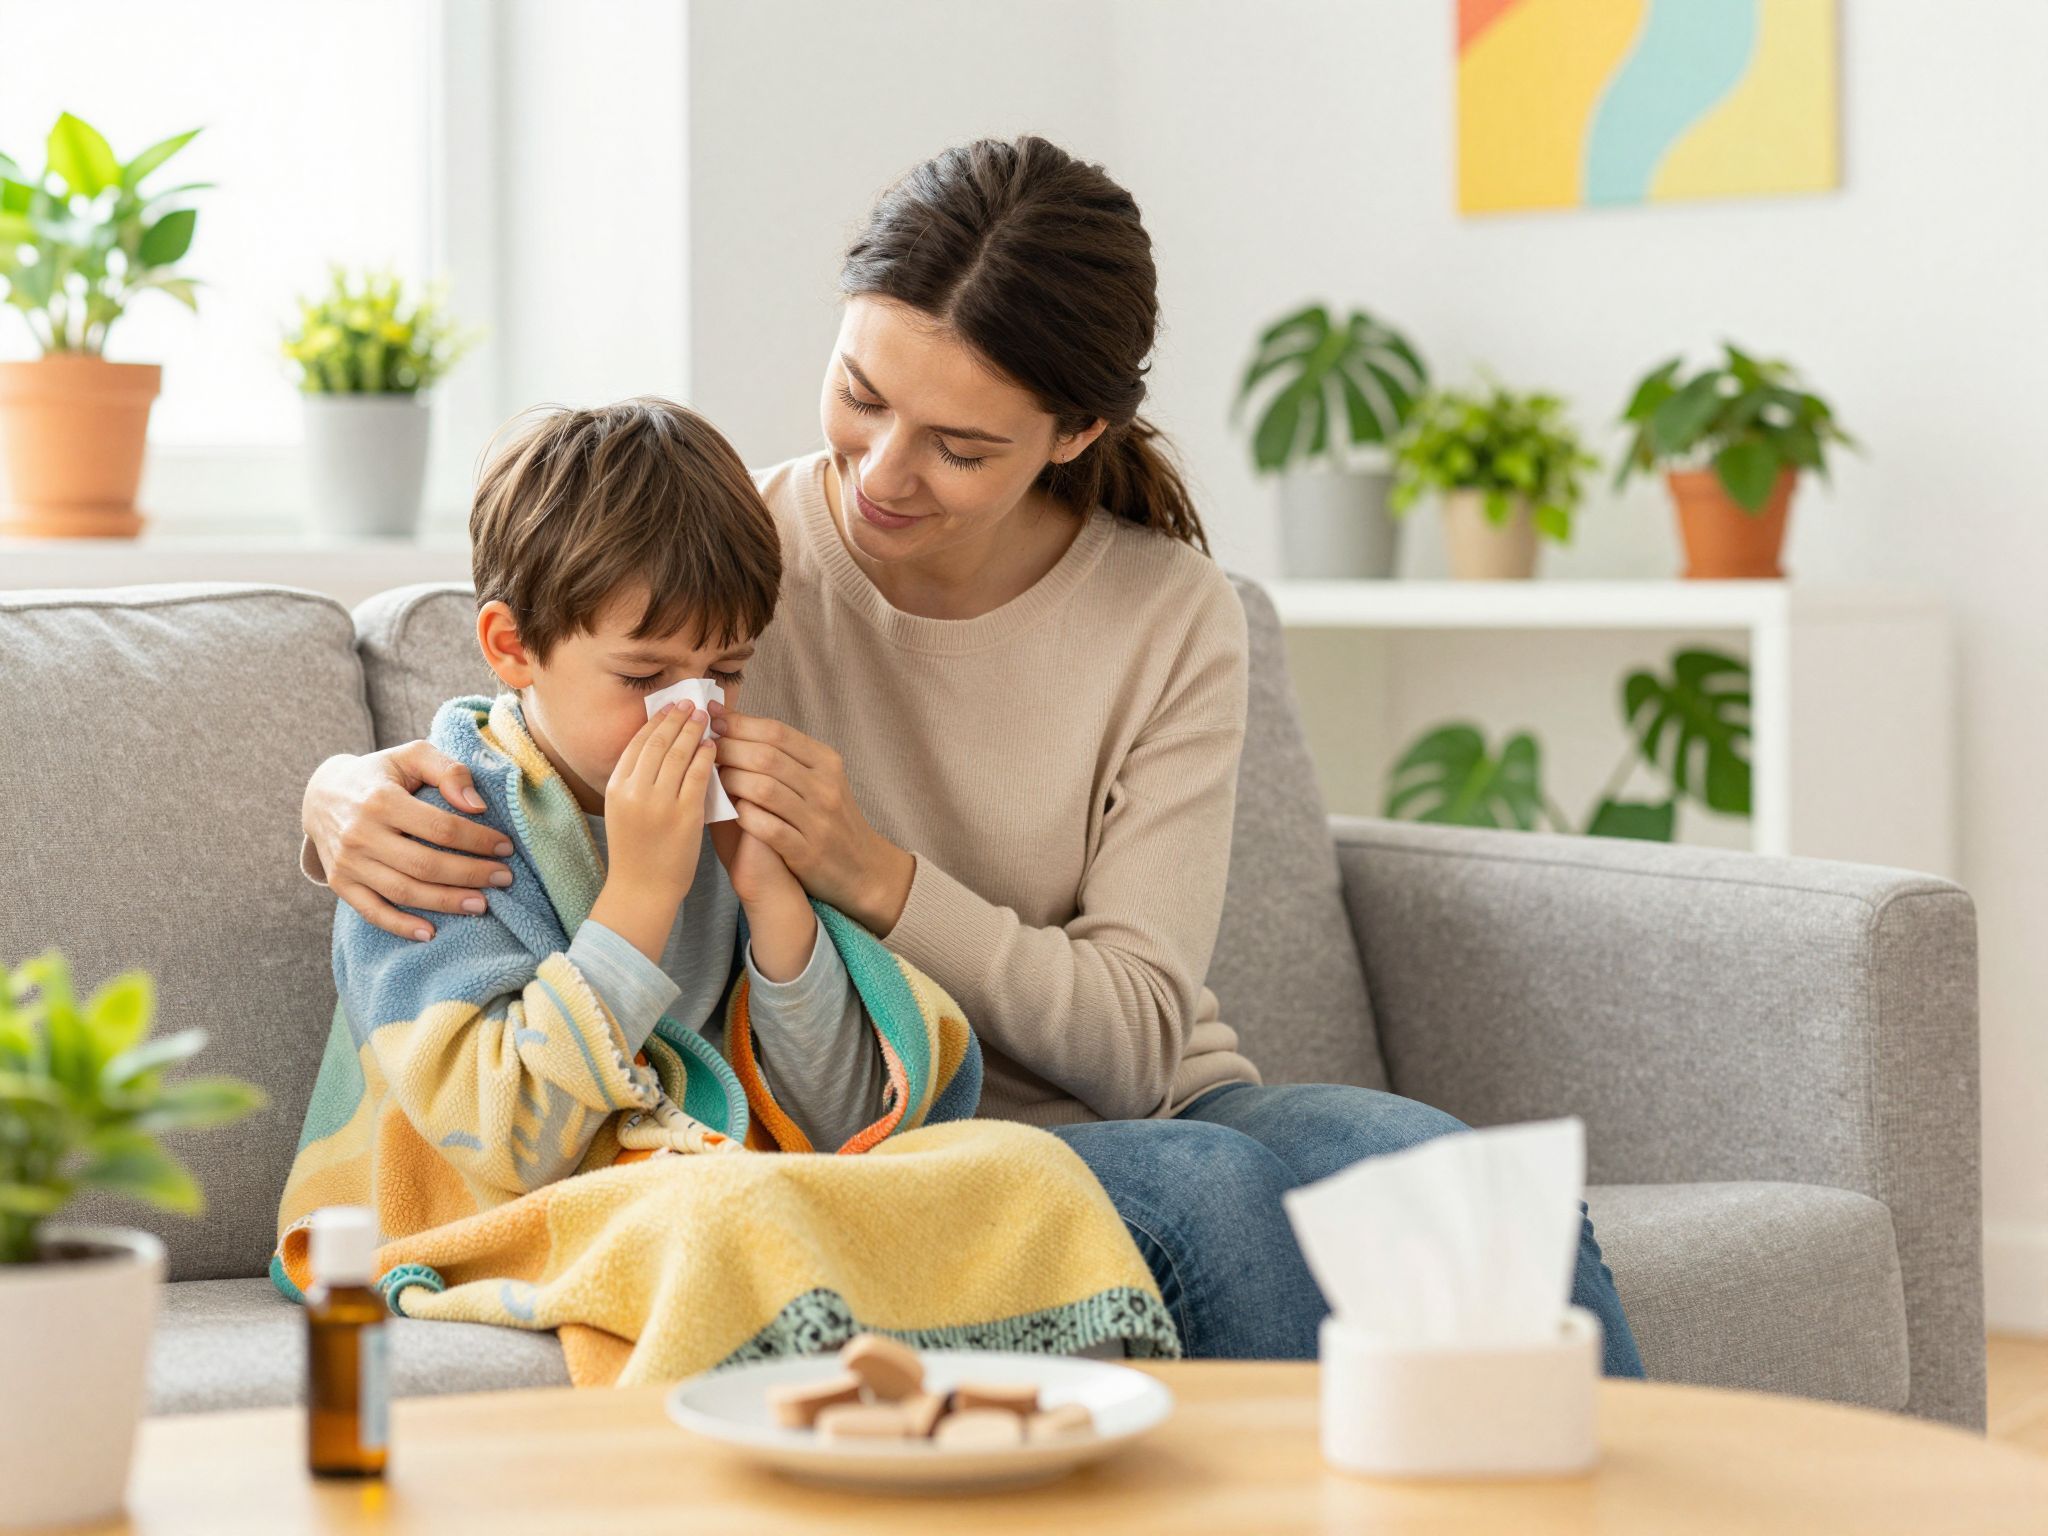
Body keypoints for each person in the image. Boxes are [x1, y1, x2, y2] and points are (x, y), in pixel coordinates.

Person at [298, 137, 1644, 1373]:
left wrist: (871, 874)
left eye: (959, 446)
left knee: (1448, 1171)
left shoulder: (1174, 616)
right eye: (860, 395)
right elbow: (536, 661)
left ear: (1073, 436)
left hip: (1146, 1098)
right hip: (907, 1128)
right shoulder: (742, 562)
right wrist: (332, 795)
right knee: (1217, 1201)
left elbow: (1133, 1047)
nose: (884, 474)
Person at [279, 398, 908, 1252]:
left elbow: (842, 1128)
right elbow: (507, 1140)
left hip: (700, 1190)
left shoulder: (731, 825)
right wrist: (642, 893)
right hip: (521, 1218)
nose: (692, 712)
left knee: (1015, 1171)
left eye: (725, 671)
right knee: (727, 1221)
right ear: (511, 648)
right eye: (644, 674)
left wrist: (771, 896)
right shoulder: (430, 842)